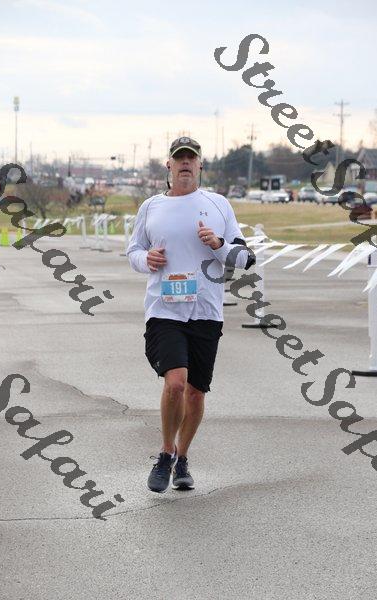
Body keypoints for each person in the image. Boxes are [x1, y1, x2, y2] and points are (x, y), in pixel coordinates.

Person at [126, 136, 254, 493]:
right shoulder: (151, 207)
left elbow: (245, 257)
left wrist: (218, 244)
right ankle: (165, 454)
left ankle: (182, 458)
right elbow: (133, 251)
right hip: (164, 309)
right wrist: (146, 259)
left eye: (191, 158)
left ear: (200, 165)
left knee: (196, 393)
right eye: (179, 158)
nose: (185, 163)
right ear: (168, 165)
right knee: (176, 383)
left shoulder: (218, 205)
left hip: (206, 311)